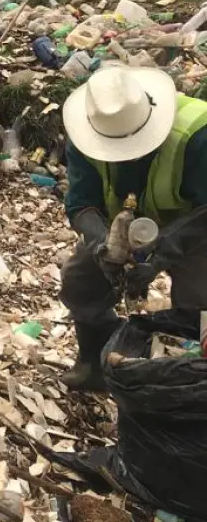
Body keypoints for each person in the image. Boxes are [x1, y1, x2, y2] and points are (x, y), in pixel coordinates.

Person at [60, 66, 207, 391]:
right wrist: (103, 246)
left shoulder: (198, 133)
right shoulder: (88, 130)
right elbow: (81, 204)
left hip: (195, 224)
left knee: (201, 304)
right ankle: (95, 363)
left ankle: (193, 387)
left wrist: (163, 251)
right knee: (81, 279)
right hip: (123, 222)